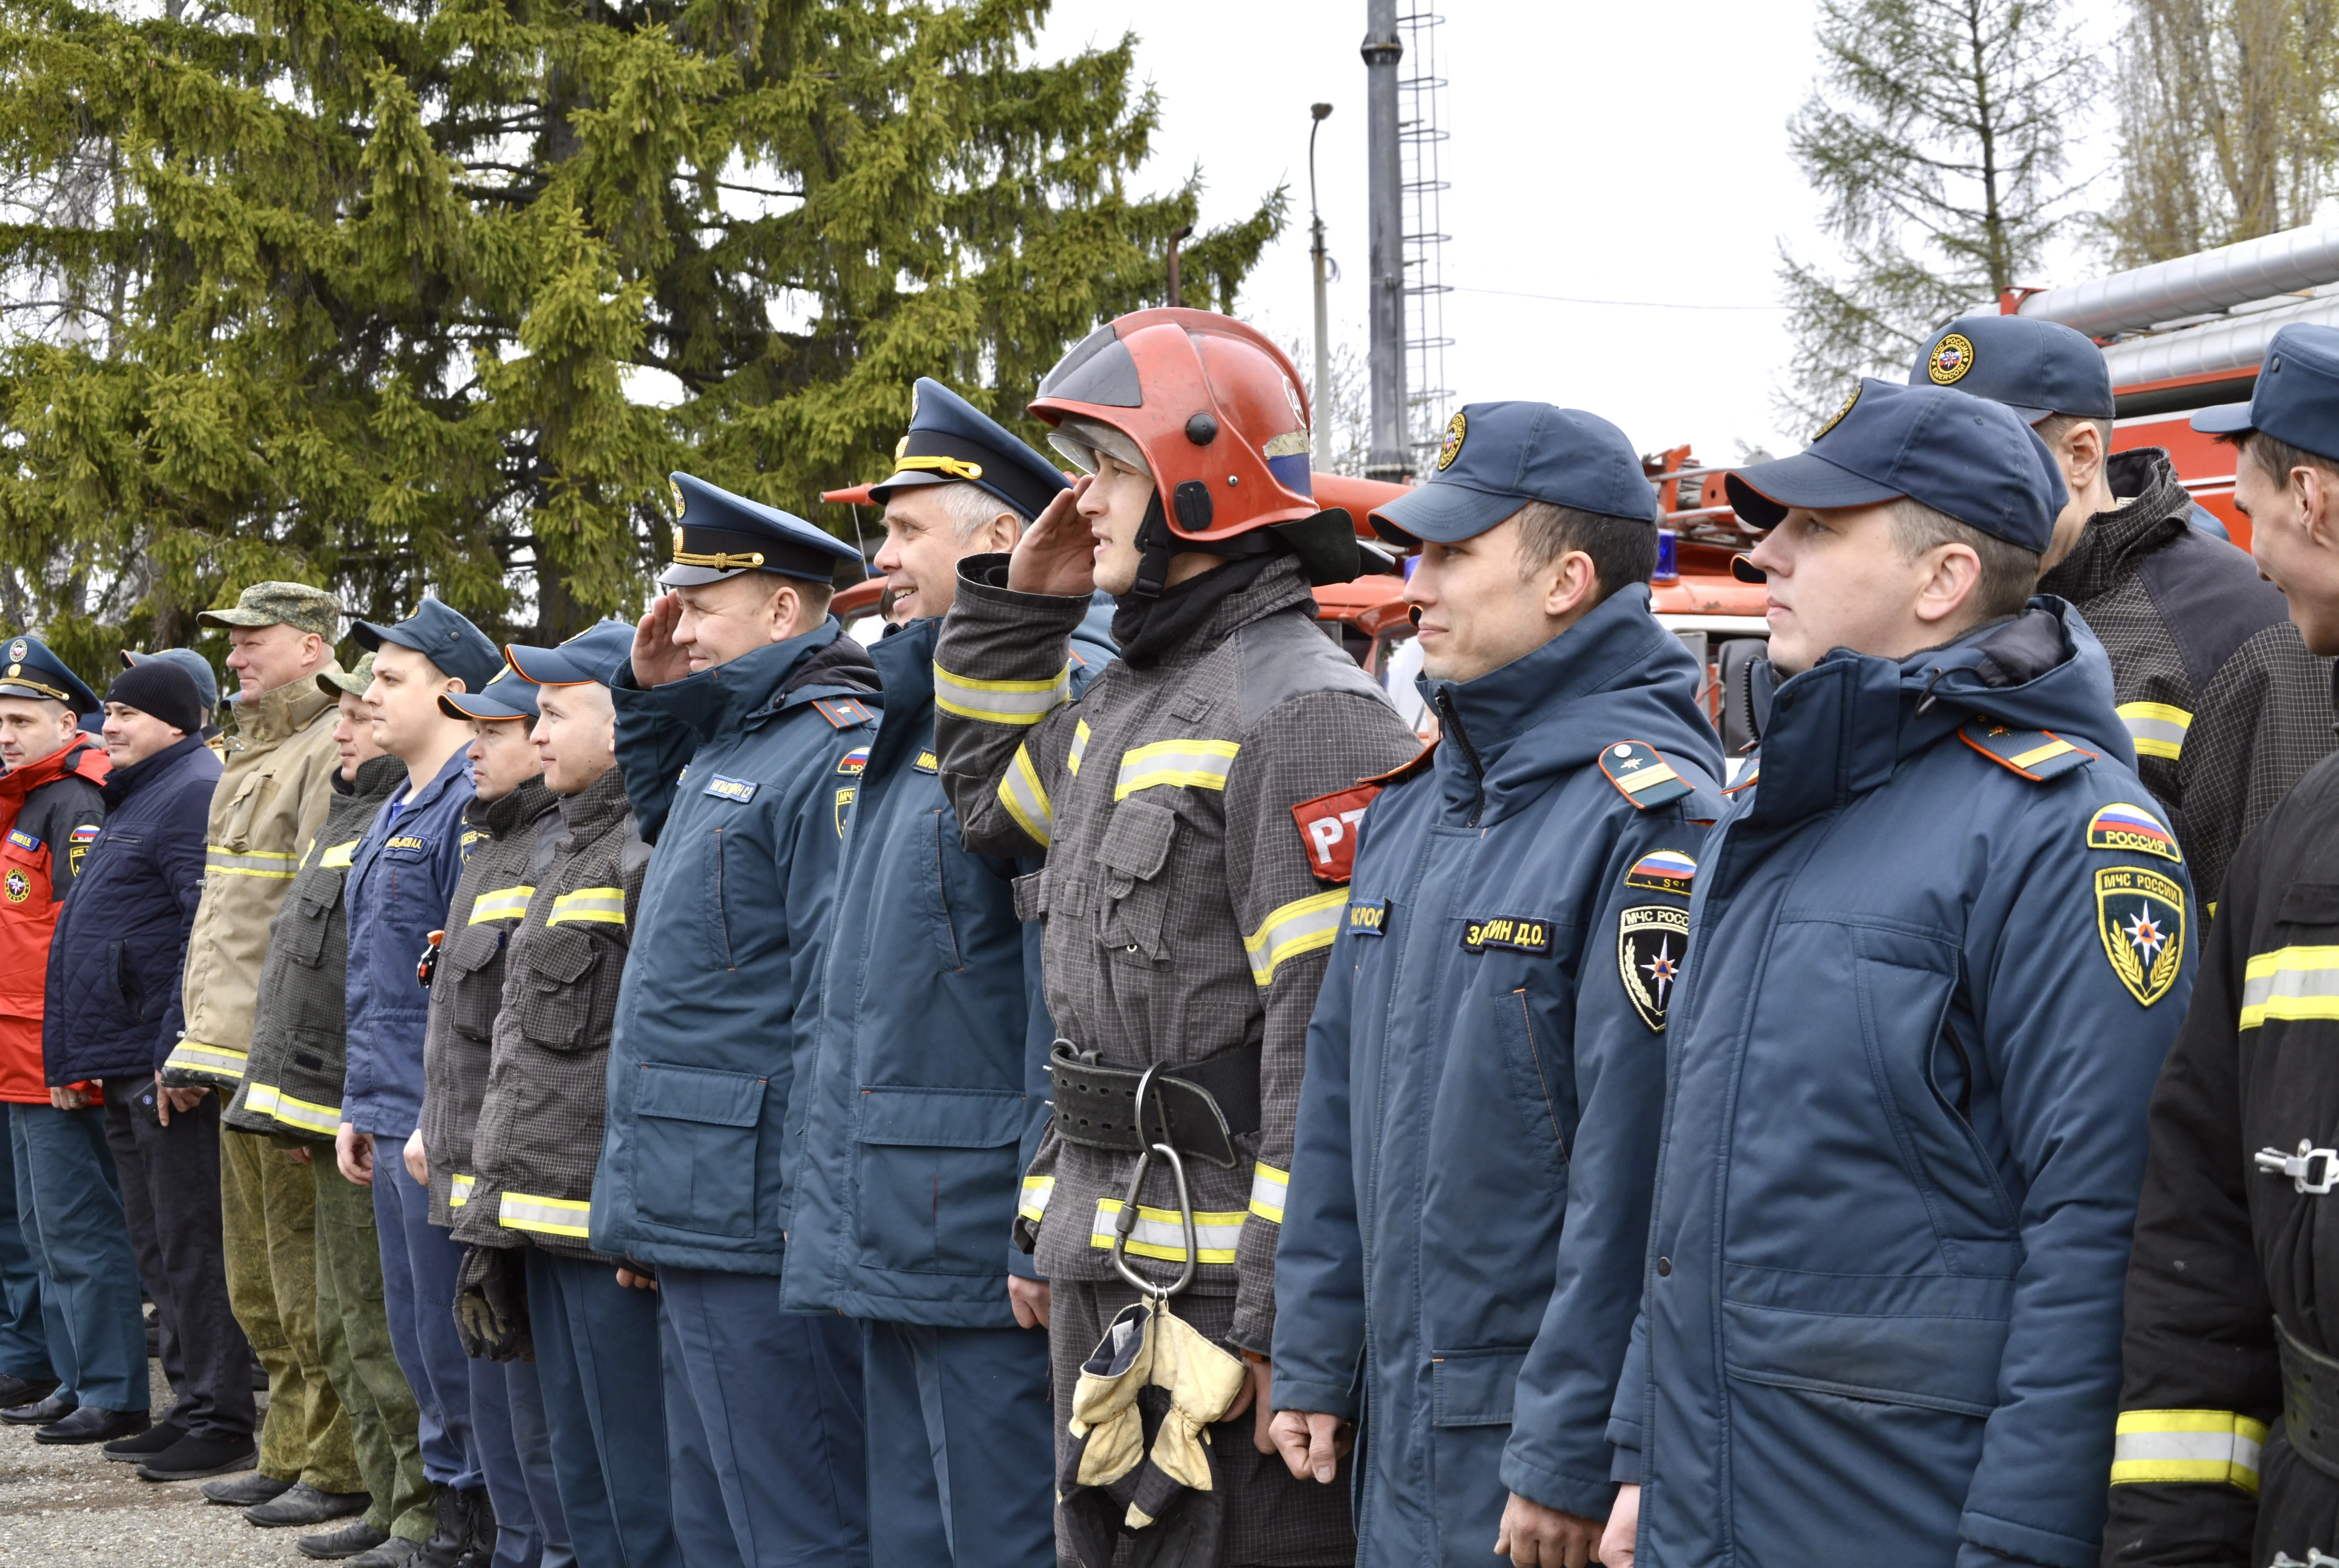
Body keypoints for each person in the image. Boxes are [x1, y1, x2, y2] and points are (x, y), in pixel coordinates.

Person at [1596, 379, 2193, 1568]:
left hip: (1903, 1510)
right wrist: (1640, 1451)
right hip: (1717, 1493)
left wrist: (2024, 1541)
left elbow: (2098, 1233)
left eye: (1818, 527)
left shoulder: (2062, 832)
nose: (1767, 551)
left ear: (1943, 580)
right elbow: (1694, 1182)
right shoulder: (1767, 809)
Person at [931, 309, 1418, 1567]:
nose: (1079, 502)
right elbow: (991, 811)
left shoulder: (1308, 714)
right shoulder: (1123, 702)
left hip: (1216, 1308)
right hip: (1106, 1265)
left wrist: (1284, 1324)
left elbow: (1327, 1057)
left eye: (1107, 469)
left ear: (1201, 480)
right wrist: (1017, 619)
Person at [1266, 402, 1725, 1568]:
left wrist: (1572, 1446)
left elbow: (1643, 1176)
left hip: (1527, 1446)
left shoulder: (1649, 821)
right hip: (1398, 1419)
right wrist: (1316, 1351)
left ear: (1567, 580)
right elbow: (1336, 1103)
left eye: (1454, 554)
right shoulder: (1414, 810)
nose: (1417, 583)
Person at [782, 380, 1114, 1568]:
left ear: (995, 541)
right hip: (898, 1231)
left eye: (907, 528)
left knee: (1004, 1541)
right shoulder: (915, 716)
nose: (882, 556)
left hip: (981, 1241)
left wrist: (1041, 1217)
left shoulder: (1052, 704)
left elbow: (1068, 997)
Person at [587, 470, 877, 1568]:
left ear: (785, 612)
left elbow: (829, 1002)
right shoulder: (735, 741)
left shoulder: (830, 746)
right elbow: (670, 825)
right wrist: (654, 694)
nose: (678, 624)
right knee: (717, 1521)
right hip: (700, 1197)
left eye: (703, 607)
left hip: (760, 1215)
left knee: (795, 1524)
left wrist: (815, 1207)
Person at [2101, 322, 2339, 1566]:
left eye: (2250, 511)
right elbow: (2207, 1228)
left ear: (2315, 499)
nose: (2252, 556)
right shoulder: (2304, 831)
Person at [1910, 314, 2334, 906]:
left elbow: (2282, 921)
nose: (1942, 493)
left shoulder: (2245, 621)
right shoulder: (1931, 610)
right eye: (1925, 462)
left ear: (2083, 455)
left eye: (1979, 455)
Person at [449, 620, 677, 1568]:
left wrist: (642, 1213)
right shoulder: (568, 847)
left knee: (638, 1486)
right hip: (540, 1219)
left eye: (552, 713)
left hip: (601, 1227)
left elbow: (655, 1048)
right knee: (578, 1479)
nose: (534, 734)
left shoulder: (640, 846)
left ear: (623, 722)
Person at [220, 654, 435, 1566]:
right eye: (343, 709)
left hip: (377, 1105)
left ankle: (419, 1508)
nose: (347, 723)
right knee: (344, 1321)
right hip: (328, 1101)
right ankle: (388, 1499)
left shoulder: (422, 811)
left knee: (385, 1328)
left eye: (363, 705)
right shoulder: (358, 813)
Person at [165, 581, 366, 1525]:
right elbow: (224, 922)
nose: (237, 658)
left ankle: (333, 1464)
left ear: (312, 645)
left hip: (282, 1058)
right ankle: (287, 1447)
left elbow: (318, 924)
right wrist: (195, 1038)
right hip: (229, 1049)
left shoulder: (329, 748)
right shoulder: (257, 752)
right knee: (258, 1279)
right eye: (233, 644)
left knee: (304, 1277)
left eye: (255, 641)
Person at [326, 598, 512, 1568]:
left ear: (450, 686)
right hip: (388, 1103)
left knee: (456, 1330)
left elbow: (464, 984)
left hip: (439, 1116)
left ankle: (475, 1517)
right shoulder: (395, 804)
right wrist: (362, 1104)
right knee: (410, 1323)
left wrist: (435, 1112)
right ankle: (441, 1504)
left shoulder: (465, 810)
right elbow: (380, 975)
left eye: (390, 679)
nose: (368, 696)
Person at [42, 655, 255, 1478]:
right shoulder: (144, 792)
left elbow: (206, 934)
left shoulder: (193, 789)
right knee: (158, 1242)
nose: (110, 725)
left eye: (127, 712)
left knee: (193, 1239)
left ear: (175, 720)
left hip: (163, 1064)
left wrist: (180, 1050)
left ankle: (222, 1413)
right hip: (127, 1059)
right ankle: (192, 1402)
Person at [403, 658, 574, 1568]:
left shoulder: (554, 849)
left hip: (517, 1168)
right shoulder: (493, 844)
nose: (475, 749)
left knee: (540, 1417)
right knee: (494, 1394)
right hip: (468, 1153)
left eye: (493, 732)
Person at [0, 637, 136, 1449]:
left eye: (20, 717)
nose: (3, 732)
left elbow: (83, 942)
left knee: (79, 1230)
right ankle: (77, 1379)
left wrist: (76, 1056)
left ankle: (111, 1386)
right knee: (44, 1231)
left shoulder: (74, 801)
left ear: (65, 719)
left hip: (51, 1056)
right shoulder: (28, 795)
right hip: (11, 1054)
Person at [0, 634, 53, 1418]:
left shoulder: (34, 793)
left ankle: (25, 1347)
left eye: (15, 715)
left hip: (22, 1031)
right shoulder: (12, 787)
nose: (5, 731)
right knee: (1, 1204)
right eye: (1, 716)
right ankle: (9, 1339)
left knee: (29, 1210)